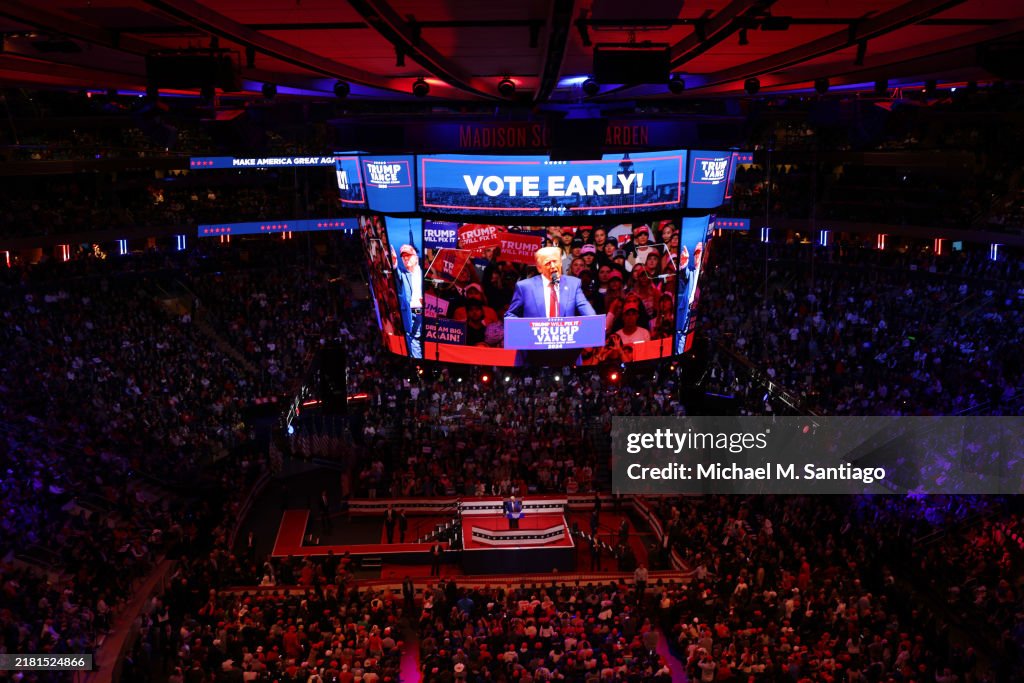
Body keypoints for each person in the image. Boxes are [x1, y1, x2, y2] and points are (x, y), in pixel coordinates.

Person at [505, 246, 597, 319]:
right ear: (539, 268)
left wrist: (594, 321)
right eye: (548, 263)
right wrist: (524, 329)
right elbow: (510, 315)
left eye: (555, 261)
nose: (553, 266)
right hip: (535, 336)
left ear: (561, 263)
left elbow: (586, 310)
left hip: (565, 336)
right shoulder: (525, 287)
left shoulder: (573, 284)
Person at [392, 244, 423, 358]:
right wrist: (394, 262)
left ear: (416, 257)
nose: (405, 259)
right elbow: (396, 272)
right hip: (412, 312)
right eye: (403, 257)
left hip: (425, 311)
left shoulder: (424, 272)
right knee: (413, 338)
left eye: (408, 255)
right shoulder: (403, 274)